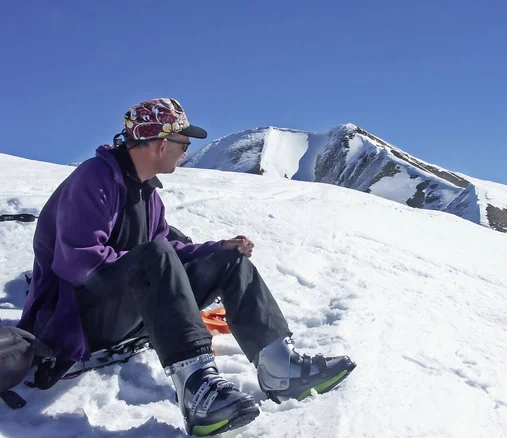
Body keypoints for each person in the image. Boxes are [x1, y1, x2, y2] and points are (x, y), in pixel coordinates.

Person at [18, 98, 356, 436]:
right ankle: (197, 391)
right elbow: (76, 262)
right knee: (156, 255)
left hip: (127, 308)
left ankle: (281, 369)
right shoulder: (94, 180)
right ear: (162, 143)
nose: (187, 150)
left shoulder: (146, 193)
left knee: (229, 260)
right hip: (78, 318)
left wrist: (217, 250)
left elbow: (167, 251)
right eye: (184, 143)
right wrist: (150, 263)